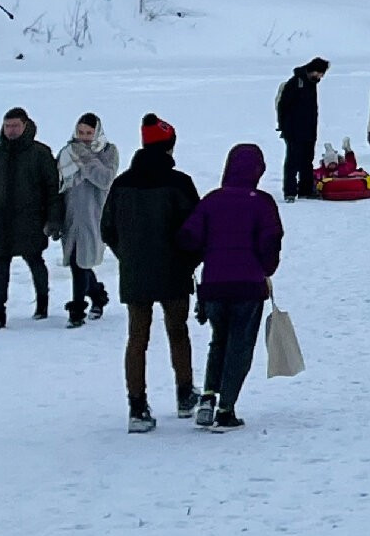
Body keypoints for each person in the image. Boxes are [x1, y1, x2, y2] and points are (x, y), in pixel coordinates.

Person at [102, 115, 201, 431]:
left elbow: (107, 229)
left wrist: (127, 257)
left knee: (137, 338)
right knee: (178, 331)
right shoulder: (180, 183)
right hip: (174, 269)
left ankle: (137, 407)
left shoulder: (122, 183)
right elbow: (197, 230)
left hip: (136, 271)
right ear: (170, 147)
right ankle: (185, 395)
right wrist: (189, 262)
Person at [179, 143, 284, 432]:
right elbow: (270, 241)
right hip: (248, 286)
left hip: (214, 284)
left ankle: (208, 397)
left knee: (219, 341)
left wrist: (204, 259)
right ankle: (226, 409)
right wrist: (266, 269)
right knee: (239, 346)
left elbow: (189, 236)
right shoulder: (262, 203)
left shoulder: (212, 201)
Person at [0, 108, 60, 330]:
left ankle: (42, 305)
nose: (11, 130)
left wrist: (54, 220)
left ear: (26, 126)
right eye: (7, 126)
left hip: (31, 221)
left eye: (15, 126)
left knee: (35, 262)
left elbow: (53, 189)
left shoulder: (40, 153)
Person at [55, 114, 118, 328]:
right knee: (77, 262)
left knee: (81, 262)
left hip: (94, 218)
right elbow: (59, 185)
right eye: (80, 133)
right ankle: (97, 295)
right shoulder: (66, 153)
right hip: (71, 218)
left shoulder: (108, 152)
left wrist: (84, 158)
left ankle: (77, 311)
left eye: (89, 133)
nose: (84, 138)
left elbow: (104, 179)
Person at [275, 58, 330, 200]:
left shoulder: (312, 84)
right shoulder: (295, 83)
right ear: (314, 70)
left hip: (309, 130)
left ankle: (306, 190)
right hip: (293, 130)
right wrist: (283, 126)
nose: (320, 77)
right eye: (320, 74)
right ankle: (290, 192)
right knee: (292, 162)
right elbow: (283, 106)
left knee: (307, 160)